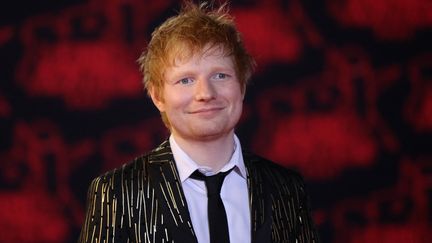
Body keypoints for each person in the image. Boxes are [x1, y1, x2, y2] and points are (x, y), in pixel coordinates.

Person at [78, 1, 319, 243]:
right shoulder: (117, 192)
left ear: (242, 87)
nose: (205, 93)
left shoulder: (287, 188)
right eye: (185, 80)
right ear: (158, 96)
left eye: (220, 75)